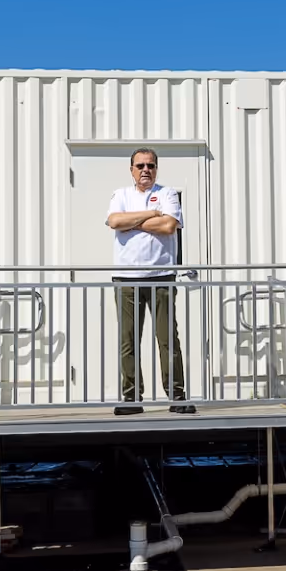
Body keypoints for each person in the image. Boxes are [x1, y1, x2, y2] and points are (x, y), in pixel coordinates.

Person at [106, 148, 191, 415]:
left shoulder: (167, 194)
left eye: (150, 166)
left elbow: (168, 226)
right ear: (131, 169)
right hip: (127, 279)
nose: (146, 170)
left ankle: (177, 396)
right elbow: (114, 220)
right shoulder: (121, 195)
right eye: (140, 165)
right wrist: (151, 214)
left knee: (167, 339)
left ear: (156, 169)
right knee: (128, 340)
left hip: (161, 277)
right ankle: (131, 398)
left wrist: (134, 222)